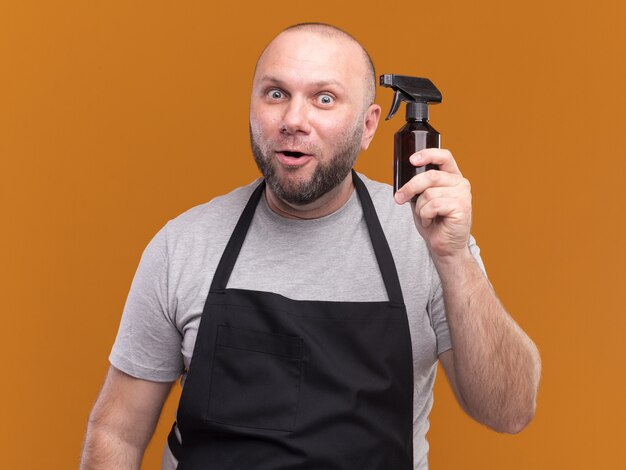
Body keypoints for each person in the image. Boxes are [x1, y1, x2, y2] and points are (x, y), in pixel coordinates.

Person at [80, 22, 541, 470]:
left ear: (368, 127)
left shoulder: (424, 236)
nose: (293, 120)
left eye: (324, 98)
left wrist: (455, 259)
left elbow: (508, 410)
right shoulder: (182, 246)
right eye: (276, 93)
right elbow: (116, 432)